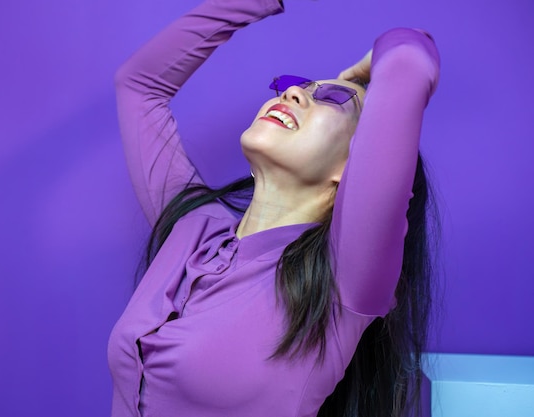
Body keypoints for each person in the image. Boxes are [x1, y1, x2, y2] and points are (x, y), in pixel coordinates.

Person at [109, 0, 440, 416]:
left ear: (354, 166)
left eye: (334, 98)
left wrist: (371, 67)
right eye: (296, 84)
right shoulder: (194, 226)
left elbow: (409, 60)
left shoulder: (347, 276)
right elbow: (139, 85)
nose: (293, 91)